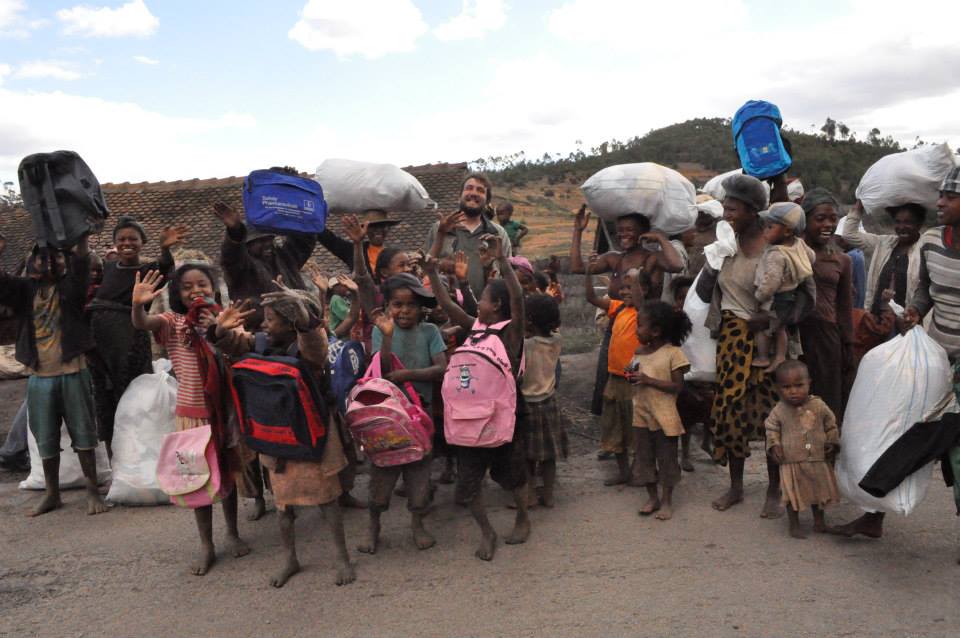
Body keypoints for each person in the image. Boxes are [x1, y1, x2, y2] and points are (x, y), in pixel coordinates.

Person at [215, 283, 356, 587]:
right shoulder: (260, 343)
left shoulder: (307, 349)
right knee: (283, 506)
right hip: (275, 436)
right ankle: (290, 558)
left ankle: (341, 557)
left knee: (328, 500)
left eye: (271, 319)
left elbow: (313, 340)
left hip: (311, 435)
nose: (264, 324)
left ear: (292, 323)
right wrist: (221, 330)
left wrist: (302, 314)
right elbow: (230, 344)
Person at [132, 265, 250, 575]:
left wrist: (220, 329)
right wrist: (138, 306)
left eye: (202, 284)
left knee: (227, 474)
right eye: (187, 287)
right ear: (177, 294)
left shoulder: (223, 317)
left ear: (214, 288)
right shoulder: (173, 323)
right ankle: (206, 545)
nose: (196, 290)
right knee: (196, 480)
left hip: (223, 411)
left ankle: (233, 532)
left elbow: (241, 346)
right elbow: (143, 323)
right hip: (191, 416)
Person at [425, 213, 529, 561]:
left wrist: (503, 262)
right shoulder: (474, 327)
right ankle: (487, 532)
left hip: (505, 418)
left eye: (483, 297)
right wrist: (431, 274)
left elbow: (518, 299)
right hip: (468, 419)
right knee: (469, 483)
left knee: (513, 477)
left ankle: (523, 518)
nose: (478, 303)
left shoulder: (510, 333)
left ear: (495, 305)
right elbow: (447, 304)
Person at [0, 237, 108, 517]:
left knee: (84, 434)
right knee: (45, 437)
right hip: (40, 376)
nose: (48, 262)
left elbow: (82, 262)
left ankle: (93, 490)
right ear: (31, 263)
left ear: (65, 262)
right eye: (41, 257)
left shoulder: (71, 288)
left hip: (73, 372)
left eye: (56, 257)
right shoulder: (24, 291)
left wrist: (80, 236)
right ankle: (52, 493)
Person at [695, 173, 783, 516]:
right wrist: (711, 264)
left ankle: (774, 489)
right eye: (726, 208)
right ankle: (736, 487)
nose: (727, 214)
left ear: (752, 211)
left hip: (767, 342)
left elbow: (794, 298)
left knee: (771, 417)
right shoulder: (725, 245)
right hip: (732, 339)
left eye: (733, 209)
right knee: (730, 413)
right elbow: (705, 293)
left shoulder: (773, 248)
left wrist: (771, 319)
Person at [355, 272, 447, 555]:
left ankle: (417, 523)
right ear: (387, 307)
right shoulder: (381, 331)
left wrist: (408, 374)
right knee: (382, 473)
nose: (404, 311)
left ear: (421, 308)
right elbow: (382, 369)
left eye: (411, 305)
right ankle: (373, 525)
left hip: (420, 416)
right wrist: (386, 337)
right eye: (397, 304)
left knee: (419, 473)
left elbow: (441, 367)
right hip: (387, 419)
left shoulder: (430, 332)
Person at [627, 300, 691, 521]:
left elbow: (677, 387)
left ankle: (666, 501)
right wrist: (630, 375)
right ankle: (652, 498)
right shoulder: (639, 352)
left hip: (665, 418)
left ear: (655, 331)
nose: (636, 330)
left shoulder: (673, 353)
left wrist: (648, 380)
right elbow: (633, 375)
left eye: (640, 325)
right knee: (644, 459)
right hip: (641, 415)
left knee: (666, 460)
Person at [585, 260, 648, 485]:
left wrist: (637, 277)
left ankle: (639, 470)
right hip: (614, 376)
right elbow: (592, 298)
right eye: (623, 287)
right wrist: (587, 273)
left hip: (633, 377)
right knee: (614, 426)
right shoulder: (618, 308)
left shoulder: (643, 312)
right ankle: (624, 472)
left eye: (630, 287)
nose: (624, 291)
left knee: (636, 425)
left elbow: (640, 301)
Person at [765, 360, 840, 539]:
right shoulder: (779, 410)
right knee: (792, 494)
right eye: (786, 387)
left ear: (809, 383)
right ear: (778, 389)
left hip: (817, 459)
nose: (793, 391)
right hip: (791, 461)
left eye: (799, 385)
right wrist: (774, 445)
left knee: (818, 491)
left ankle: (819, 522)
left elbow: (831, 424)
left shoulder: (818, 406)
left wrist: (832, 442)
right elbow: (771, 429)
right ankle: (794, 524)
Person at [798, 189, 854, 423]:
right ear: (805, 220)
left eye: (833, 219)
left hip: (827, 338)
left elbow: (844, 307)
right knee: (794, 398)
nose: (828, 225)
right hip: (795, 335)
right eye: (820, 218)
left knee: (826, 401)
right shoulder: (791, 253)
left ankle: (825, 445)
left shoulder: (842, 260)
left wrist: (848, 346)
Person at [422, 174, 513, 296]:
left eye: (480, 190)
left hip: (487, 305)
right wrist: (441, 233)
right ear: (459, 196)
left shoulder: (498, 234)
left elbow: (509, 276)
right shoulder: (439, 229)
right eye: (469, 188)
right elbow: (424, 270)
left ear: (487, 201)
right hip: (444, 305)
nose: (474, 193)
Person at [753, 202, 816, 370]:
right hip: (791, 298)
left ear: (787, 231)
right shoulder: (799, 244)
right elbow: (812, 257)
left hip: (776, 300)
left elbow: (771, 283)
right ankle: (780, 356)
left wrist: (759, 297)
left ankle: (765, 357)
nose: (765, 231)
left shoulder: (776, 254)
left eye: (770, 227)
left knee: (766, 328)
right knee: (781, 328)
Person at [521, 293, 565, 508]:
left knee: (527, 456)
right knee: (549, 455)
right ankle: (548, 495)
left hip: (528, 404)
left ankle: (530, 494)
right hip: (549, 402)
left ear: (529, 321)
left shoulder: (525, 345)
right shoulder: (556, 340)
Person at [317, 209, 400, 276]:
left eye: (382, 226)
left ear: (388, 228)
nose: (378, 230)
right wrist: (312, 217)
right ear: (365, 229)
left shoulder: (396, 255)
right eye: (373, 226)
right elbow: (329, 239)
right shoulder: (352, 251)